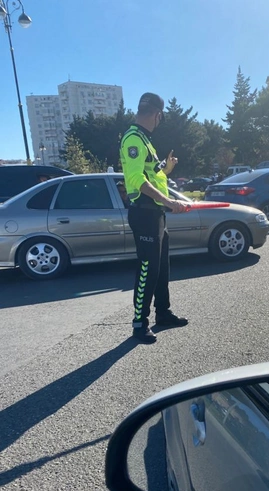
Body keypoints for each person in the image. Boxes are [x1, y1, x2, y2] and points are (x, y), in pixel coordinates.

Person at [120, 92, 190, 344]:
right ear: (158, 114)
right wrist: (170, 202)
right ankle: (140, 324)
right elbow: (136, 179)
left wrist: (166, 169)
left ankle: (163, 313)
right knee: (147, 269)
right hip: (144, 213)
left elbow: (151, 174)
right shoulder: (134, 139)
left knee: (161, 268)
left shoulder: (145, 140)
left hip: (155, 213)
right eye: (160, 117)